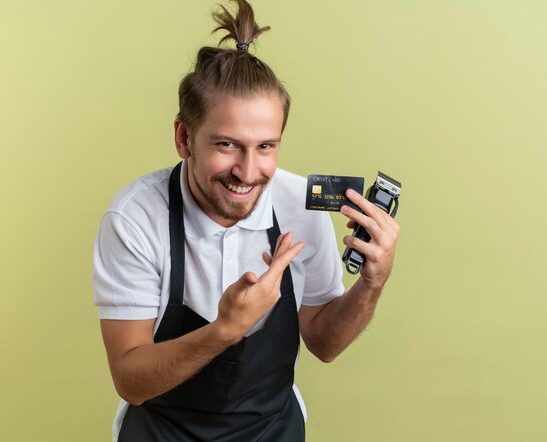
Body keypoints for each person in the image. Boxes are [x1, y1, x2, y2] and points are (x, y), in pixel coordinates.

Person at [93, 1, 400, 440]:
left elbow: (324, 344)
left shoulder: (300, 206)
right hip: (162, 432)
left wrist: (372, 282)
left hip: (271, 430)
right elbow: (130, 380)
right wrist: (224, 331)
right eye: (227, 144)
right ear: (184, 137)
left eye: (266, 147)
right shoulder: (135, 219)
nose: (248, 171)